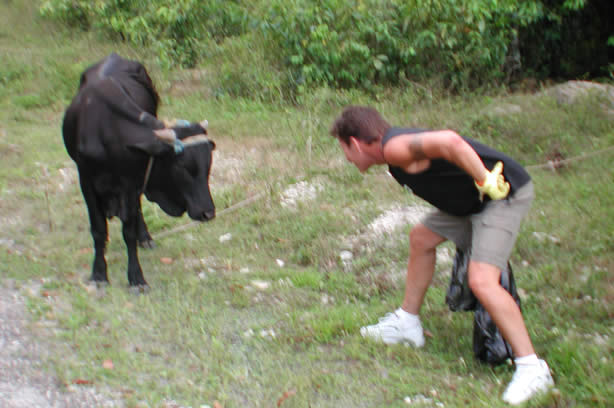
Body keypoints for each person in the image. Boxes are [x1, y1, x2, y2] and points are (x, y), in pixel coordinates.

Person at [330, 106, 554, 405]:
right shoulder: (392, 151)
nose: (346, 157)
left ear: (354, 143)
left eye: (344, 148)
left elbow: (450, 141)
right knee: (421, 238)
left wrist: (484, 179)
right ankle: (407, 324)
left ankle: (532, 369)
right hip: (473, 203)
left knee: (482, 280)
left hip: (502, 196)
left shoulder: (395, 147)